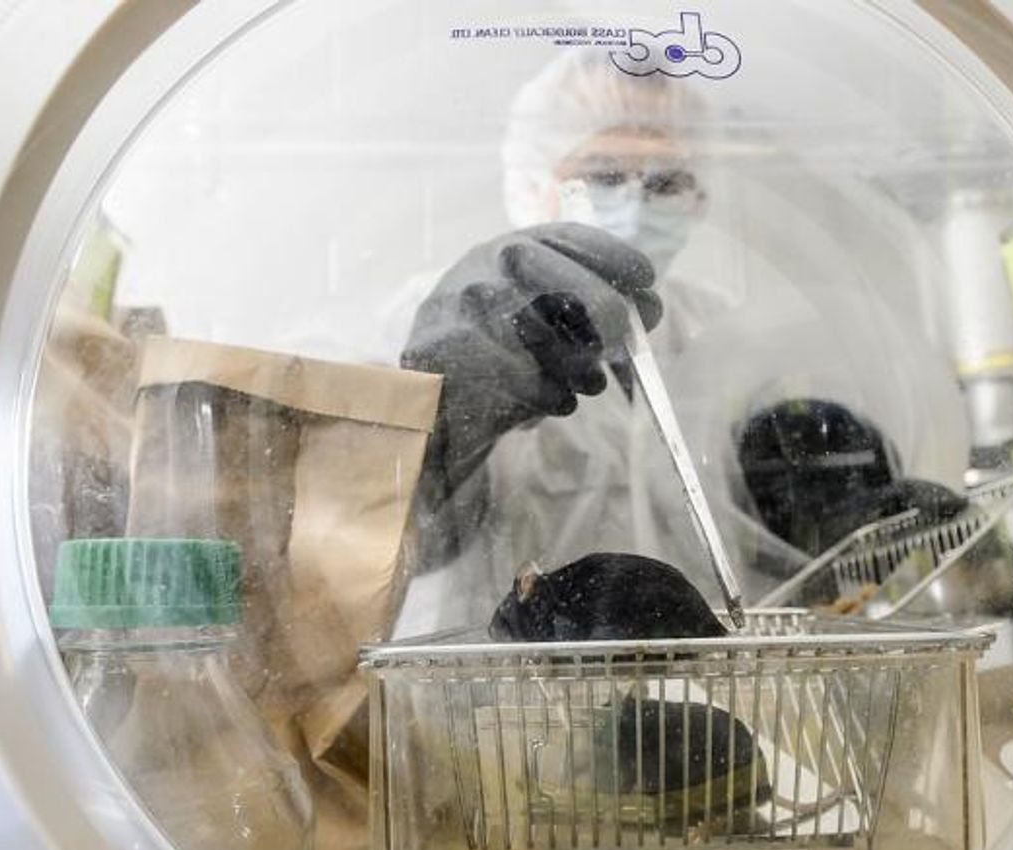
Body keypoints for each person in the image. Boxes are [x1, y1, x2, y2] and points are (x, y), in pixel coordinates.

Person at [396, 49, 968, 635]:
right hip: (504, 704)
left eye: (667, 180)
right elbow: (378, 532)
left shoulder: (718, 327)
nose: (638, 200)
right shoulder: (461, 314)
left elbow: (747, 541)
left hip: (700, 704)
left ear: (699, 202)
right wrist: (448, 411)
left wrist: (819, 521)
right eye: (604, 175)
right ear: (534, 184)